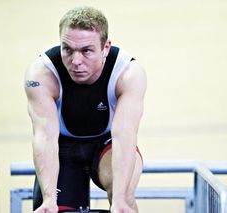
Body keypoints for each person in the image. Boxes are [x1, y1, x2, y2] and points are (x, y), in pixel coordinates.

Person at [24, 6, 146, 213]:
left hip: (107, 145)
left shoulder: (128, 73)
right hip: (62, 147)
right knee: (52, 209)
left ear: (105, 48)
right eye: (67, 49)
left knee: (123, 197)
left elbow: (124, 136)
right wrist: (48, 198)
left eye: (86, 51)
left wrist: (119, 200)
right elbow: (45, 137)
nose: (75, 61)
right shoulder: (41, 74)